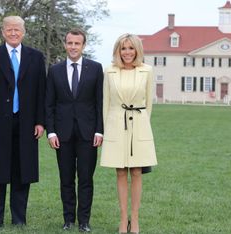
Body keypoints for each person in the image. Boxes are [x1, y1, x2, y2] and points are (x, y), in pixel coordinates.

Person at [0, 15, 46, 228]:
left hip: (26, 124)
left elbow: (41, 92)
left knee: (21, 172)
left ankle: (18, 219)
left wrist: (40, 122)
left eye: (17, 29)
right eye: (9, 29)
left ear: (24, 32)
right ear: (2, 32)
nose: (13, 33)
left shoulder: (35, 57)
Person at [45, 28, 103, 232]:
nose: (73, 47)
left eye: (77, 43)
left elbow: (99, 103)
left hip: (88, 134)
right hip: (63, 134)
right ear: (65, 44)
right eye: (70, 43)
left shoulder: (96, 69)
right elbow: (49, 104)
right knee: (66, 179)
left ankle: (84, 221)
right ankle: (68, 219)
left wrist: (99, 130)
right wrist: (50, 132)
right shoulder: (54, 70)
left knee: (86, 179)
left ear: (83, 45)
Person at [100, 33, 158, 234]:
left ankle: (135, 219)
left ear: (137, 50)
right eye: (123, 48)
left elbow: (149, 104)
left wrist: (140, 124)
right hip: (116, 126)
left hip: (139, 125)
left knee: (136, 172)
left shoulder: (147, 71)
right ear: (118, 50)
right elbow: (106, 104)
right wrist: (108, 130)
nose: (127, 52)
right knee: (121, 172)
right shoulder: (109, 71)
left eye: (131, 48)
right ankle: (123, 219)